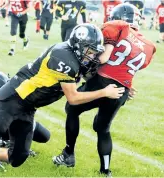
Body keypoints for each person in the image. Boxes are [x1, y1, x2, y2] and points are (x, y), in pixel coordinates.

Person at [0, 23, 125, 177]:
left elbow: (95, 75)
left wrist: (125, 86)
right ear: (78, 45)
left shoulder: (74, 57)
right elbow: (74, 98)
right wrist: (104, 92)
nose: (92, 56)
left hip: (28, 107)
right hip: (14, 97)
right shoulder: (64, 57)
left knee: (18, 157)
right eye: (89, 51)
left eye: (94, 52)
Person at [52, 3, 156, 177]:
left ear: (118, 17)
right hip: (121, 90)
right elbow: (126, 67)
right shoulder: (148, 45)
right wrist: (125, 85)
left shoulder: (117, 26)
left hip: (101, 82)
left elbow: (104, 58)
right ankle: (105, 170)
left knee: (72, 108)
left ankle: (68, 154)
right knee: (103, 128)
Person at [0, 71, 51, 146]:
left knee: (45, 136)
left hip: (25, 121)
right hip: (13, 125)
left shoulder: (18, 93)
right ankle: (8, 142)